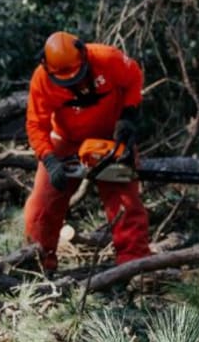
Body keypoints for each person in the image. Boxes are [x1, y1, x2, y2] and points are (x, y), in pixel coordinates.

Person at [24, 31, 151, 271]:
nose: (74, 83)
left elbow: (134, 78)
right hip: (66, 139)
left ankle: (135, 265)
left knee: (125, 200)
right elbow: (35, 124)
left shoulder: (107, 58)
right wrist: (49, 159)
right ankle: (38, 267)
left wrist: (128, 118)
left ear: (83, 56)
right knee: (42, 205)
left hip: (109, 138)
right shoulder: (42, 79)